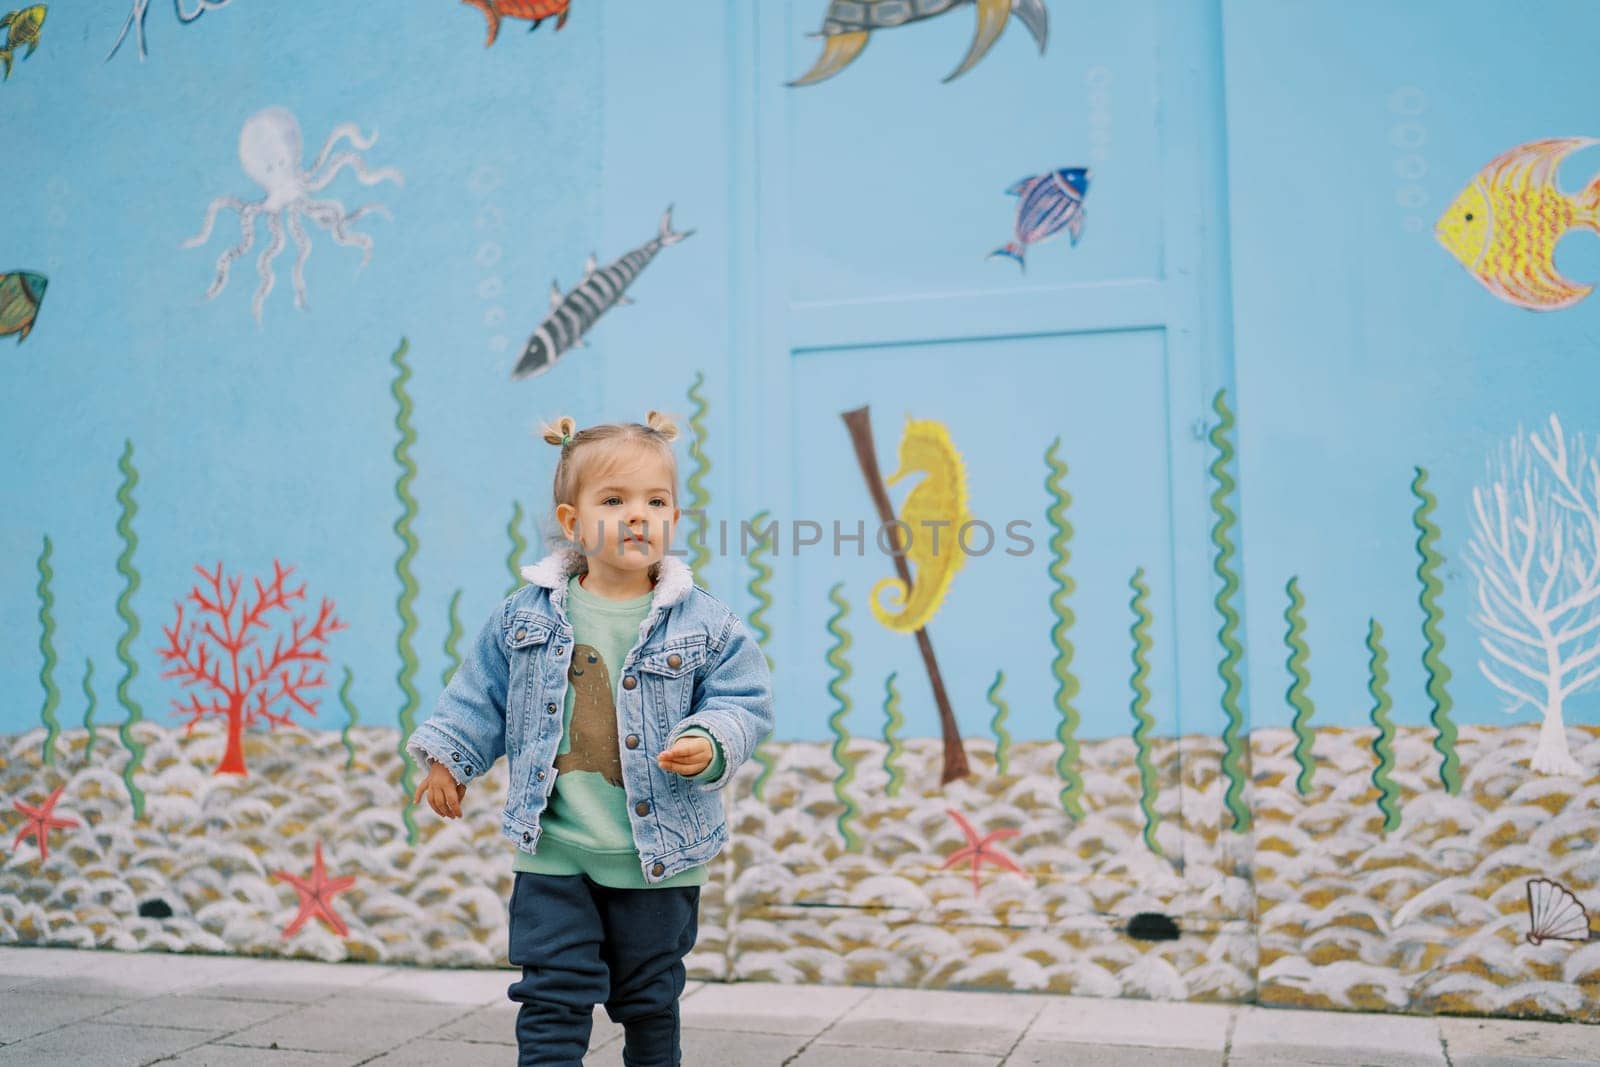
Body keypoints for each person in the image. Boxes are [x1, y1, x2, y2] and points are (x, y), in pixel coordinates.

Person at [406, 410, 775, 1067]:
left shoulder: (706, 622)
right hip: (554, 850)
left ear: (675, 519)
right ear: (572, 522)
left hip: (658, 855)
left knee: (649, 997)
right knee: (551, 992)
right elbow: (480, 691)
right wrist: (448, 759)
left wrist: (712, 739)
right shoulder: (526, 615)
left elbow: (743, 699)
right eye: (615, 500)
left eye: (655, 501)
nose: (638, 515)